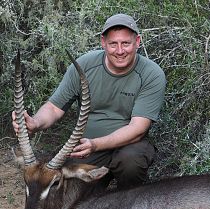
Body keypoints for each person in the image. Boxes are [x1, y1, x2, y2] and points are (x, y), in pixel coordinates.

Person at [12, 13, 166, 189]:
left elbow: (137, 129)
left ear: (137, 41)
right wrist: (35, 122)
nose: (120, 50)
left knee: (131, 162)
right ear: (103, 42)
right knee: (67, 185)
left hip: (129, 145)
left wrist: (96, 144)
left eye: (126, 43)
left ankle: (129, 204)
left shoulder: (151, 74)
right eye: (113, 44)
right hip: (87, 146)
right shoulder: (84, 65)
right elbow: (54, 108)